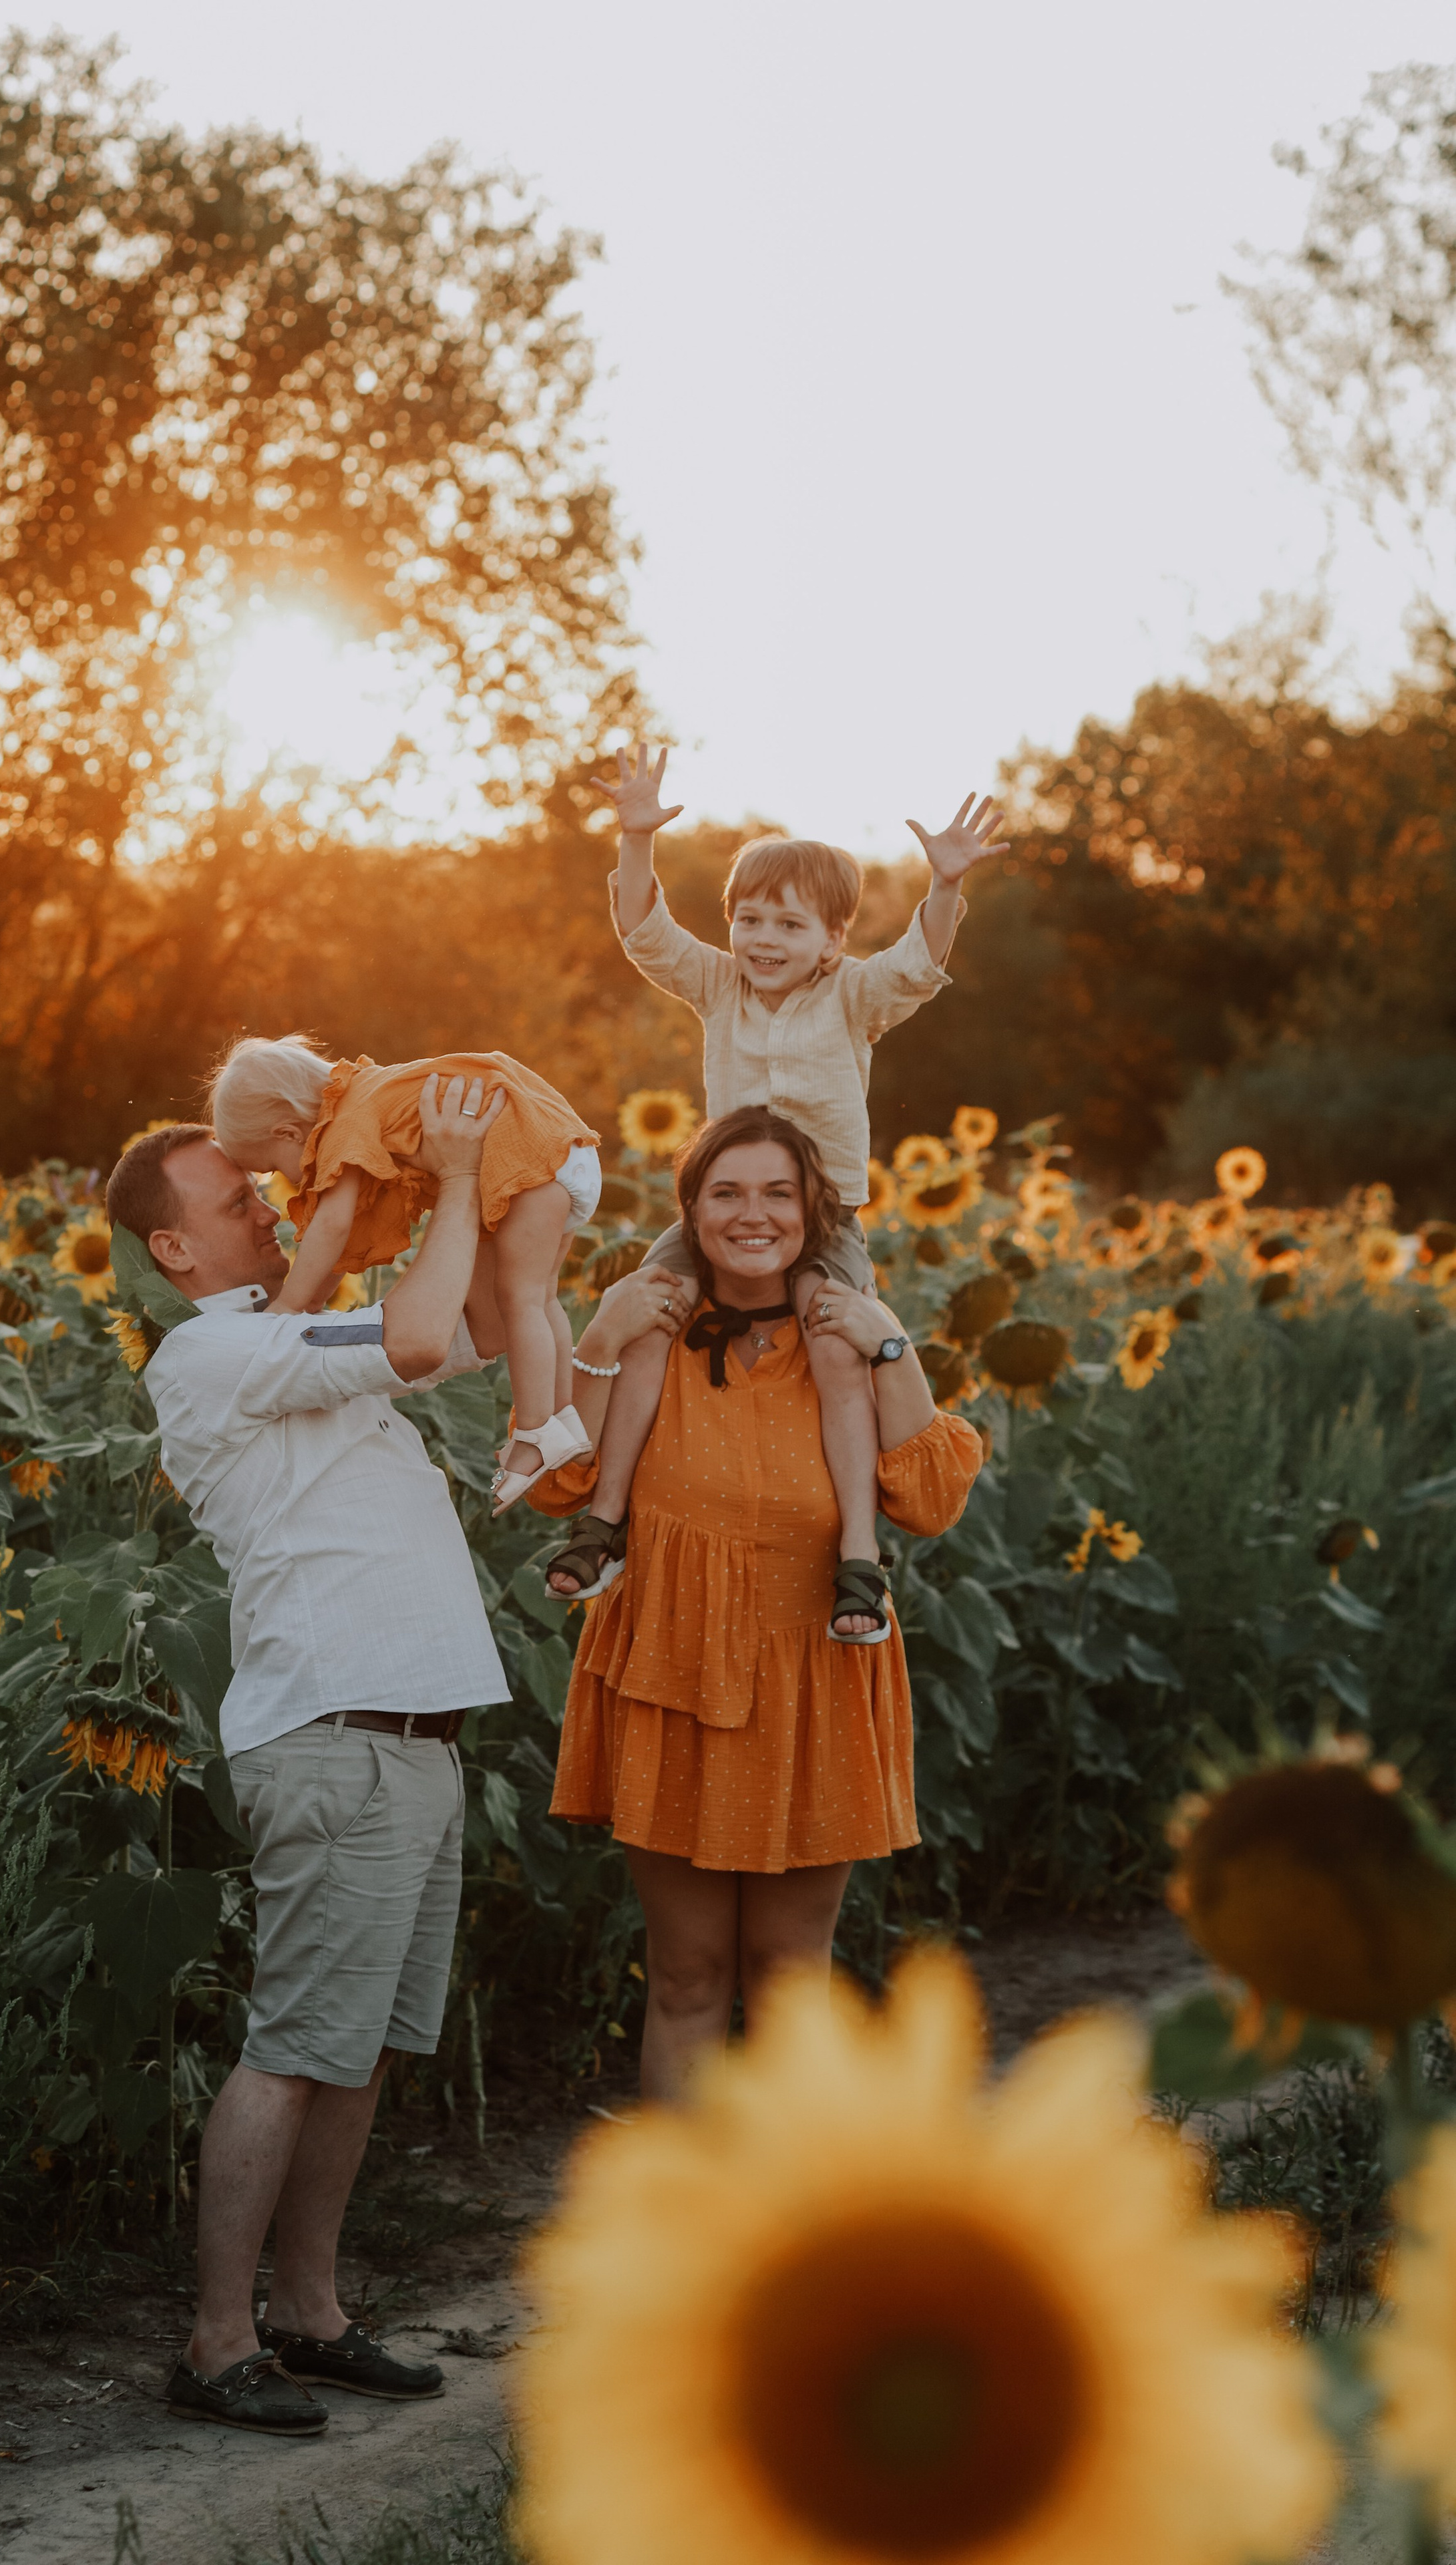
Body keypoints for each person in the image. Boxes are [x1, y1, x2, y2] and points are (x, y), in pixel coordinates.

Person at [105, 1075, 516, 2439]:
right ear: (174, 1246)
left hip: (413, 1738)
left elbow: (466, 1327)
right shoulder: (210, 1354)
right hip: (338, 1735)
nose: (271, 1206)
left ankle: (310, 2315)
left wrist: (505, 1197)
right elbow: (416, 1336)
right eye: (238, 1199)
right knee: (293, 2048)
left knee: (362, 2051)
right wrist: (454, 1175)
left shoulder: (295, 1341)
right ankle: (217, 2342)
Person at [530, 1107, 984, 2101]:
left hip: (813, 1672)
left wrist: (892, 1347)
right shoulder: (652, 1331)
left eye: (778, 1192)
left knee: (789, 1978)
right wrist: (601, 1333)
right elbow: (559, 1484)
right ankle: (682, 2196)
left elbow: (932, 1501)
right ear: (690, 1211)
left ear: (812, 1209)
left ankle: (784, 2192)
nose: (753, 1215)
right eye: (727, 1192)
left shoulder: (845, 1335)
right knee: (687, 1973)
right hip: (672, 1672)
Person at [549, 744, 1002, 1642]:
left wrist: (945, 886)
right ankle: (605, 1520)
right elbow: (644, 930)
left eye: (789, 925)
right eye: (749, 919)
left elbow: (917, 962)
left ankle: (859, 1557)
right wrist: (635, 837)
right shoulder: (719, 985)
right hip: (719, 1210)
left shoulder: (854, 996)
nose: (764, 939)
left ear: (832, 940)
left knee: (837, 1344)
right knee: (648, 1314)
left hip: (822, 1219)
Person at [208, 1034, 600, 1513]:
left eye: (272, 1168)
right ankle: (562, 1418)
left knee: (521, 1299)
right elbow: (345, 1239)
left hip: (528, 1159)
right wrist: (310, 1301)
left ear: (289, 1132)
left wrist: (289, 1306)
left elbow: (332, 1226)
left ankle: (534, 1434)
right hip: (563, 1150)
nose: (287, 1180)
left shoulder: (344, 1126)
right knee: (540, 1298)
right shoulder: (370, 1096)